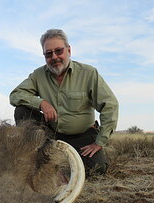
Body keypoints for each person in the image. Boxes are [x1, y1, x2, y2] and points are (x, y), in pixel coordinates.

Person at [10, 29, 119, 176]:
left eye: (59, 51)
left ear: (69, 50)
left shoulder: (89, 73)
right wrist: (41, 103)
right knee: (22, 110)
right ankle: (35, 154)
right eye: (48, 54)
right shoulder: (38, 75)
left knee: (96, 169)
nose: (54, 57)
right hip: (50, 134)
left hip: (83, 135)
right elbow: (16, 94)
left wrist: (99, 142)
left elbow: (110, 105)